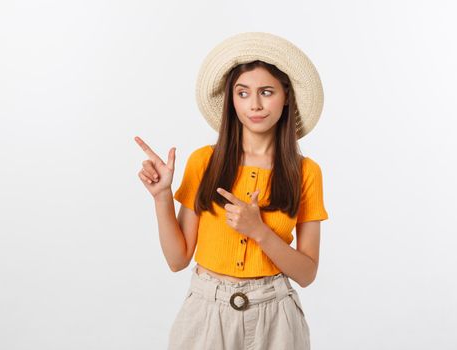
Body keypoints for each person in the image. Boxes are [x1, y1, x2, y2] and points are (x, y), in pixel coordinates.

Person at [135, 32, 329, 350]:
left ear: (287, 97)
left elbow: (307, 274)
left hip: (276, 318)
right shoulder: (204, 162)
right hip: (206, 314)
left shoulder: (306, 172)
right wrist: (161, 198)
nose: (254, 105)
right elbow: (177, 258)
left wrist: (260, 232)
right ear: (231, 98)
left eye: (266, 92)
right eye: (243, 93)